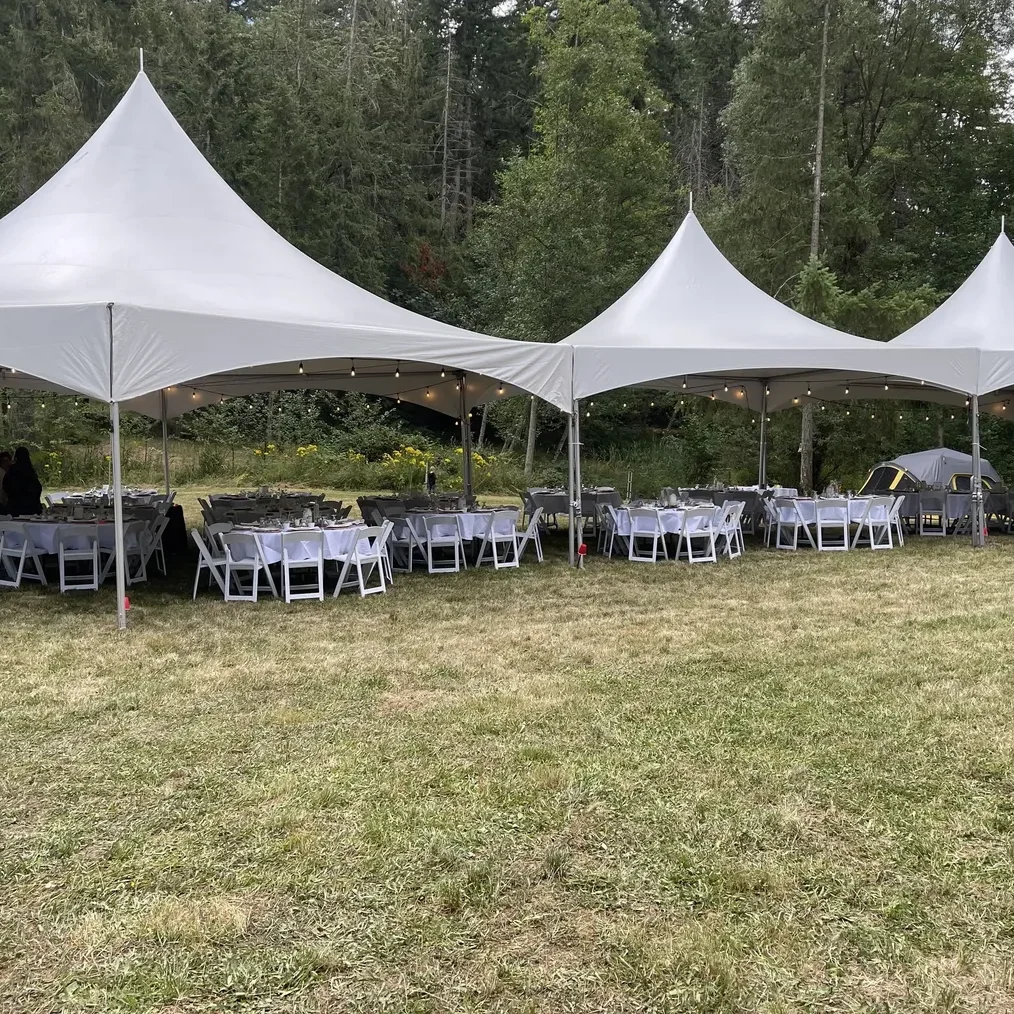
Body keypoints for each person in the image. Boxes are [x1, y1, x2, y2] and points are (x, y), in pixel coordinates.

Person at [3, 447, 43, 517]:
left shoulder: (12, 470)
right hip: (32, 508)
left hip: (15, 508)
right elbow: (37, 487)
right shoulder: (30, 471)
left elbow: (6, 486)